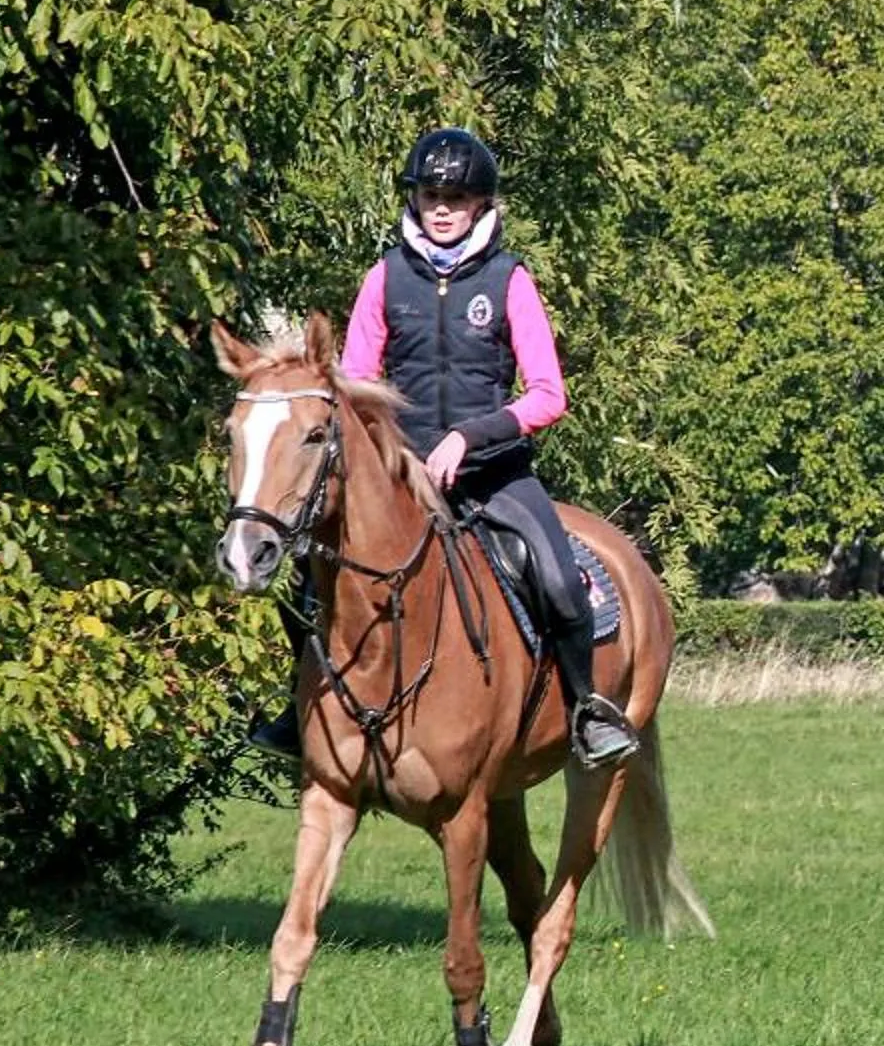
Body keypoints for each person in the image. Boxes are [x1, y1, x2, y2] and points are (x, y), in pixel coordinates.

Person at [250, 127, 638, 768]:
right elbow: (353, 385)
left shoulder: (511, 280)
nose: (442, 207)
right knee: (307, 576)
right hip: (402, 476)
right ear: (415, 197)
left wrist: (468, 436)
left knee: (561, 580)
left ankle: (587, 711)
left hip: (494, 473)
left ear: (482, 205)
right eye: (432, 193)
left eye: (456, 197)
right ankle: (300, 711)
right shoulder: (384, 277)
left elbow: (548, 394)